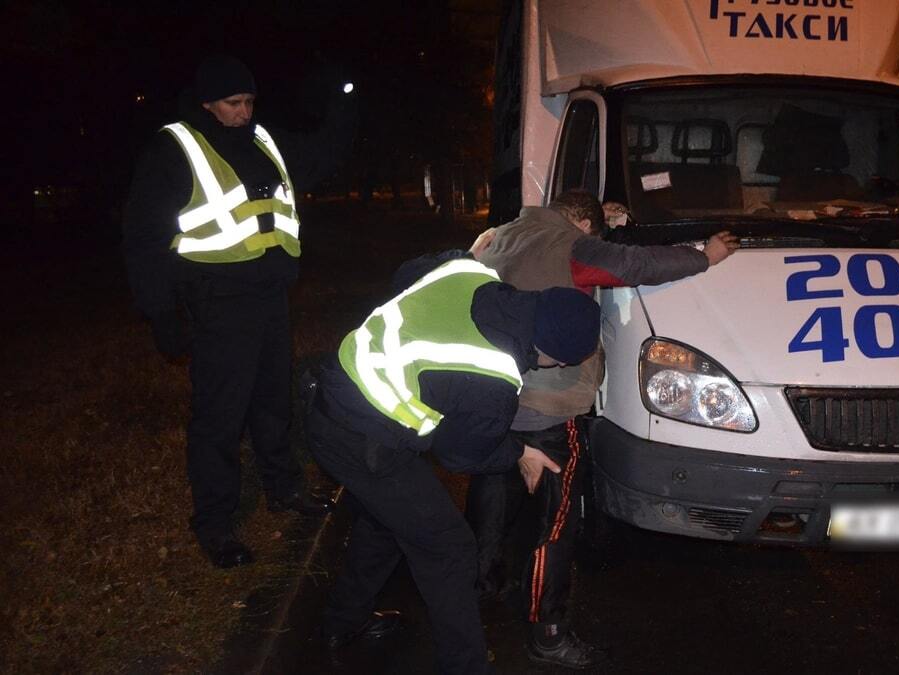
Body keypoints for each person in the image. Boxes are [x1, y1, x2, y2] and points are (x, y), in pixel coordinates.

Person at [466, 189, 739, 668]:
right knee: (556, 524)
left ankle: (477, 589)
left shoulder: (501, 234)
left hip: (494, 399)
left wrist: (603, 222)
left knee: (493, 497)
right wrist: (704, 256)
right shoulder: (573, 247)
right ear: (584, 225)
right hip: (547, 407)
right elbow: (632, 265)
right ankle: (547, 630)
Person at [305, 252, 602, 674]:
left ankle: (343, 622)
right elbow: (458, 453)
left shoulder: (470, 270)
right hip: (361, 440)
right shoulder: (495, 378)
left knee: (391, 522)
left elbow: (405, 272)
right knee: (448, 549)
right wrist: (519, 451)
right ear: (550, 354)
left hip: (336, 391)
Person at [121, 55, 356, 568]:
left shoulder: (262, 140)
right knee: (219, 421)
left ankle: (284, 489)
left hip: (270, 299)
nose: (244, 112)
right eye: (233, 103)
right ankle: (215, 525)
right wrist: (161, 314)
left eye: (250, 101)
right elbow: (143, 237)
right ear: (207, 103)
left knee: (273, 404)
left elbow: (314, 162)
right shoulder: (176, 148)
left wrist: (340, 112)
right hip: (217, 303)